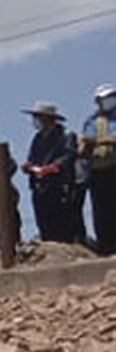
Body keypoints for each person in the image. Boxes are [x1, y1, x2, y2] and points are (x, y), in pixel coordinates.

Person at [22, 101, 78, 244]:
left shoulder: (66, 135)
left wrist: (51, 168)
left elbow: (68, 157)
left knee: (62, 225)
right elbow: (32, 158)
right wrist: (29, 167)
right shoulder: (38, 138)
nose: (36, 121)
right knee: (44, 224)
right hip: (40, 187)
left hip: (59, 186)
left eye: (39, 117)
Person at [83, 83, 116, 255]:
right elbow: (86, 142)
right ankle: (106, 248)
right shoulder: (92, 121)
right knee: (102, 211)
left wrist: (108, 141)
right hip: (98, 172)